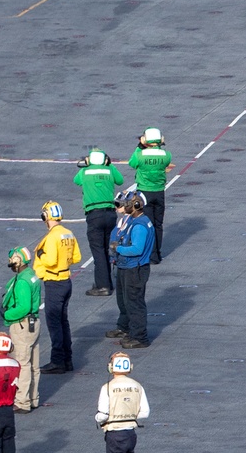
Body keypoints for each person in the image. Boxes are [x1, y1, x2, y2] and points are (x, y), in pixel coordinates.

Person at [34, 201, 82, 374]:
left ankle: (57, 361)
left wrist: (40, 254)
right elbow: (77, 257)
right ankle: (67, 359)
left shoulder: (52, 236)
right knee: (63, 322)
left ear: (46, 216)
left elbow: (51, 260)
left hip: (54, 282)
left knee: (54, 324)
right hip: (66, 280)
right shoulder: (68, 233)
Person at [106, 190, 154, 349]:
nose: (124, 207)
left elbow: (136, 249)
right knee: (124, 300)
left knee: (134, 303)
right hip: (126, 267)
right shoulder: (134, 220)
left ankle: (139, 337)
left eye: (127, 204)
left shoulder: (139, 226)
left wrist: (118, 248)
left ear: (136, 206)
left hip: (135, 269)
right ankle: (127, 328)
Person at [73, 148, 123, 296]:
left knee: (98, 252)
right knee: (108, 248)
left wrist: (87, 165)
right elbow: (120, 180)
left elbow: (76, 181)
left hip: (94, 215)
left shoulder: (85, 172)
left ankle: (103, 286)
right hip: (110, 214)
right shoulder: (109, 170)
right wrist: (109, 165)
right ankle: (109, 282)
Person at [1, 247, 40, 413]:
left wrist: (7, 314)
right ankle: (33, 398)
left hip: (22, 324)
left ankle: (22, 401)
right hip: (34, 323)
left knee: (22, 363)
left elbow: (23, 307)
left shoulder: (22, 281)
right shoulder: (31, 275)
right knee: (34, 365)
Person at [128, 128, 173, 264]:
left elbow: (132, 163)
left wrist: (139, 147)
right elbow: (165, 162)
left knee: (146, 224)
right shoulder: (166, 155)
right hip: (159, 191)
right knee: (158, 224)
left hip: (144, 192)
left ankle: (148, 253)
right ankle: (156, 254)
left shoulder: (140, 155)